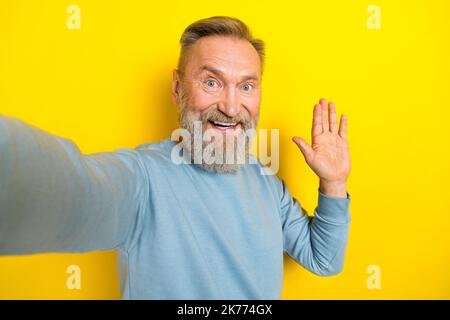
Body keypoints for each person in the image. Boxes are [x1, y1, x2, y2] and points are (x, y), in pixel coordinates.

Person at [0, 16, 352, 299]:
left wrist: (334, 182)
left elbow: (324, 260)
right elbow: (75, 191)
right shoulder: (143, 179)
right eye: (211, 82)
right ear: (177, 88)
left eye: (246, 86)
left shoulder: (266, 181)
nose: (231, 107)